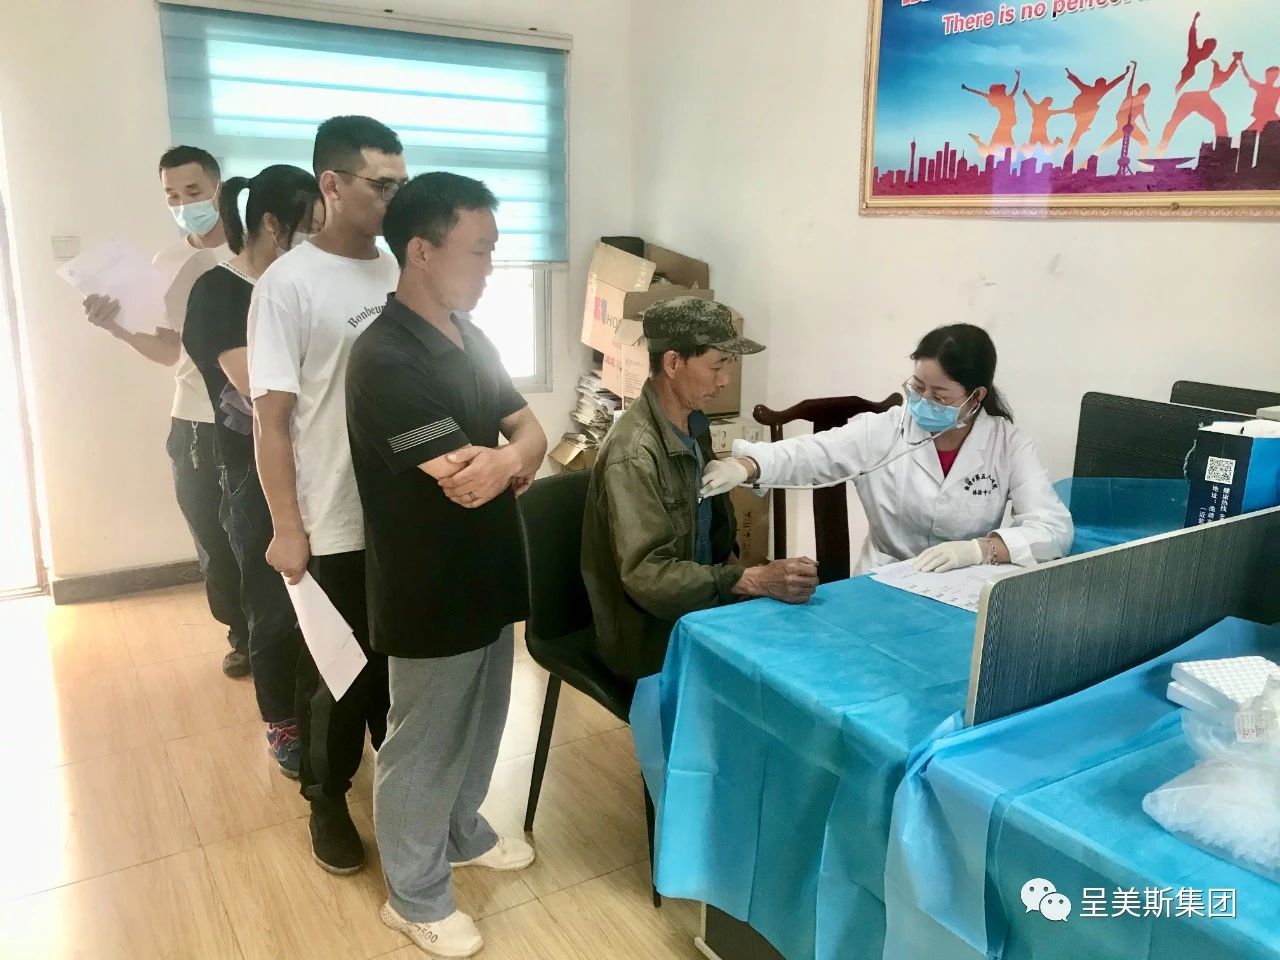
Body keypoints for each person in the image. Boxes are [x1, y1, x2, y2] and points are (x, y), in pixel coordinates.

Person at [346, 172, 546, 958]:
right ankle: (415, 897)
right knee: (422, 742)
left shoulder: (469, 334)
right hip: (428, 584)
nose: (491, 266)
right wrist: (509, 459)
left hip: (490, 567)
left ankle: (462, 830)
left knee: (485, 717)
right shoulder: (384, 356)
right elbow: (464, 477)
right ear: (422, 251)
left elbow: (529, 430)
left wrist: (511, 457)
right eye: (480, 250)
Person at [248, 116, 405, 873]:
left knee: (400, 668)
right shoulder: (288, 285)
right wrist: (288, 525)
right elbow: (271, 420)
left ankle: (404, 792)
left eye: (402, 184)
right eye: (382, 184)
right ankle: (328, 800)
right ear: (332, 184)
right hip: (332, 513)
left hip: (404, 515)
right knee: (338, 676)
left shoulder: (402, 268)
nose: (395, 198)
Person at [701, 323, 1073, 575]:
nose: (923, 401)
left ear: (975, 397)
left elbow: (1053, 528)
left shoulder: (1007, 444)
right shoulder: (887, 429)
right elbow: (813, 453)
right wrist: (746, 465)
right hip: (885, 579)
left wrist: (980, 550)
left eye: (939, 395)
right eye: (918, 387)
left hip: (961, 588)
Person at [581, 296, 819, 684]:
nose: (725, 380)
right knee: (772, 684)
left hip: (702, 604)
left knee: (803, 650)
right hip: (651, 632)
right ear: (673, 363)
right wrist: (751, 580)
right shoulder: (635, 453)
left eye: (730, 365)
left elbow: (711, 531)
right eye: (717, 365)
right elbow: (648, 577)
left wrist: (742, 579)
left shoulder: (693, 424)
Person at [82, 146, 248, 677]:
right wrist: (117, 327)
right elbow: (168, 351)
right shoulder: (166, 264)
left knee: (259, 534)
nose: (183, 204)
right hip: (196, 420)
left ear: (218, 189)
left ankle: (282, 634)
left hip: (256, 418)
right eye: (172, 196)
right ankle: (241, 634)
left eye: (193, 192)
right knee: (212, 537)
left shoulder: (254, 252)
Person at [183, 165, 323, 777]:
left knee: (328, 597)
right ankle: (282, 721)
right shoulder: (219, 292)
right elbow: (256, 388)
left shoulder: (304, 285)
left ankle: (329, 708)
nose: (319, 241)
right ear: (272, 224)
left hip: (323, 465)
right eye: (310, 228)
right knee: (273, 603)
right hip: (255, 471)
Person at [1063, 64, 1131, 155]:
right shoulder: (1088, 89)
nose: (1103, 86)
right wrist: (1069, 73)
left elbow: (1114, 83)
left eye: (1104, 85)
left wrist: (1125, 74)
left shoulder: (1102, 90)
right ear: (1097, 84)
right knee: (1078, 130)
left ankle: (1075, 140)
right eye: (1102, 84)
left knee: (1078, 131)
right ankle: (1075, 140)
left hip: (1088, 112)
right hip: (1080, 108)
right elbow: (1077, 82)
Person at [961, 70, 1020, 158]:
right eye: (1003, 89)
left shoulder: (1008, 97)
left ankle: (978, 141)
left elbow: (1016, 88)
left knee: (1004, 145)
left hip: (1006, 124)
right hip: (1004, 124)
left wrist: (1018, 77)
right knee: (999, 147)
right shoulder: (1005, 98)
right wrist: (967, 89)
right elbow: (980, 93)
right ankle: (978, 141)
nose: (1005, 90)